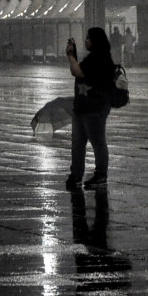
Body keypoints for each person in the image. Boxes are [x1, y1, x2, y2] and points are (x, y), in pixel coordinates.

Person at [65, 27, 116, 189]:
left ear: (96, 40)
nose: (86, 40)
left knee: (97, 141)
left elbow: (78, 72)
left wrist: (71, 56)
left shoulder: (100, 59)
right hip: (83, 107)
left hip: (94, 108)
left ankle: (100, 174)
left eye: (88, 38)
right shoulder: (94, 58)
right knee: (78, 143)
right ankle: (76, 174)